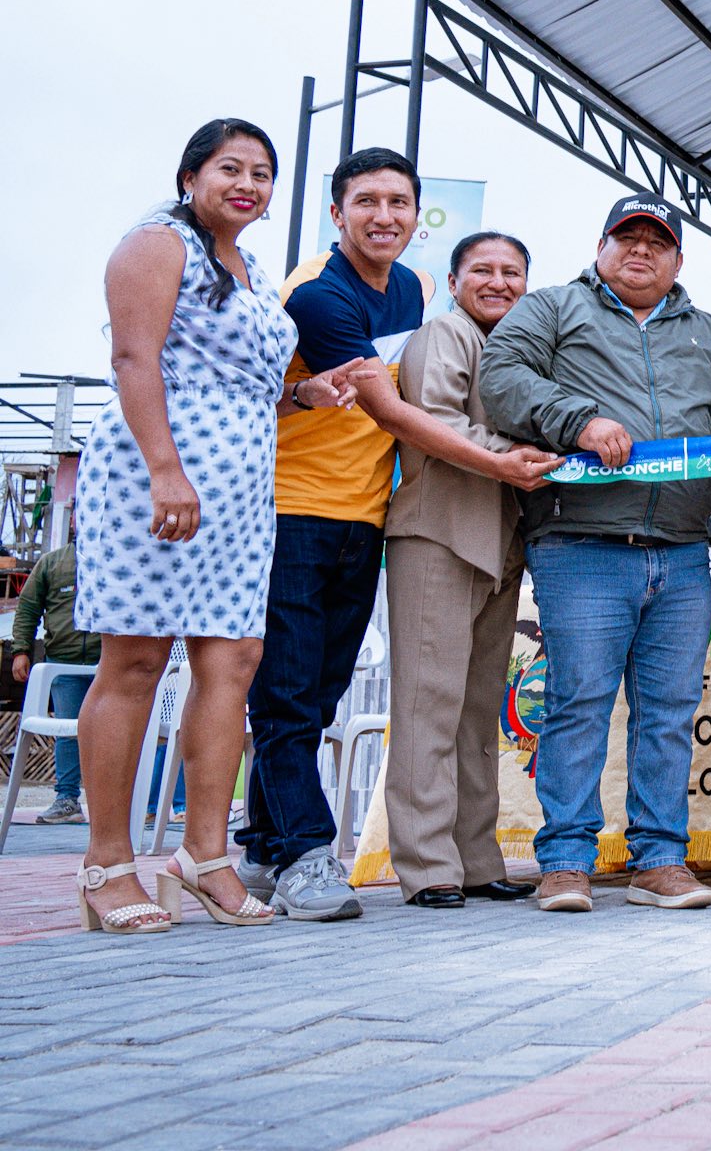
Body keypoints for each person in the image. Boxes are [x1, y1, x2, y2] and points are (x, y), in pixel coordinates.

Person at [239, 147, 557, 922]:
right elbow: (403, 414)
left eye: (399, 203)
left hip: (367, 514)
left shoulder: (411, 292)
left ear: (417, 217)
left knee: (349, 698)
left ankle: (270, 848)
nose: (384, 216)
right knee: (340, 700)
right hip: (302, 510)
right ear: (338, 211)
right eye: (367, 202)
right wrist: (506, 459)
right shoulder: (327, 295)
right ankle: (364, 858)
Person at [69, 120, 347, 933]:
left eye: (262, 173)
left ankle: (203, 856)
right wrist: (164, 467)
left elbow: (239, 384)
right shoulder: (158, 244)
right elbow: (135, 360)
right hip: (156, 479)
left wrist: (302, 395)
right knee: (136, 660)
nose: (247, 185)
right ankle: (106, 864)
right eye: (231, 168)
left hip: (242, 492)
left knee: (233, 662)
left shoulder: (250, 269)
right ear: (190, 176)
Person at [480, 194, 711, 915]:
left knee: (668, 713)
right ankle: (566, 862)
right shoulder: (553, 308)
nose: (641, 250)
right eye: (626, 237)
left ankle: (659, 861)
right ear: (600, 248)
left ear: (678, 260)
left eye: (657, 242)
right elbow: (501, 376)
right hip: (580, 542)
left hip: (682, 549)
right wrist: (579, 421)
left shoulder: (709, 332)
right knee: (577, 704)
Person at [377, 232, 560, 909]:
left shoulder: (518, 349)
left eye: (512, 271)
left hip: (501, 541)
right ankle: (427, 864)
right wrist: (520, 454)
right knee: (428, 706)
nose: (498, 282)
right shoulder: (444, 336)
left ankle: (477, 859)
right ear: (453, 281)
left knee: (478, 711)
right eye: (482, 270)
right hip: (440, 535)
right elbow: (435, 421)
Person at [9, 543, 102, 824]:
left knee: (114, 730)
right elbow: (28, 607)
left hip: (109, 663)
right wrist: (20, 650)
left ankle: (114, 805)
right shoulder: (51, 563)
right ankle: (67, 799)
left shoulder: (113, 556)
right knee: (66, 729)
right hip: (62, 662)